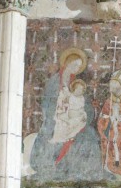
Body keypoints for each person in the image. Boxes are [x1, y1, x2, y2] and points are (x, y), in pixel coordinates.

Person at [30, 48, 103, 181]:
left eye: (79, 67)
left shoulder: (76, 83)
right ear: (67, 63)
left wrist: (85, 112)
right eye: (74, 65)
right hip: (56, 118)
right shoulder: (54, 81)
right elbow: (48, 103)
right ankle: (54, 167)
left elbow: (82, 101)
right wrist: (60, 113)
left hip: (74, 118)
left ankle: (84, 171)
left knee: (89, 134)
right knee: (55, 133)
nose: (76, 69)